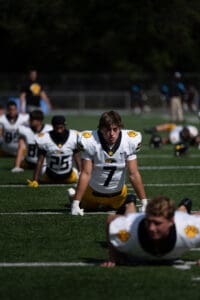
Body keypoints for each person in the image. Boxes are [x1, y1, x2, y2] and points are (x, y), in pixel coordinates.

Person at [71, 110, 147, 216]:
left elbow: (133, 174)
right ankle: (74, 197)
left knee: (127, 205)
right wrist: (76, 203)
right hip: (93, 193)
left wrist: (144, 202)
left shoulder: (129, 141)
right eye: (107, 130)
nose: (111, 134)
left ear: (120, 128)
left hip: (118, 195)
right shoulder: (90, 141)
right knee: (79, 203)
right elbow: (86, 173)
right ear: (101, 129)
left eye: (115, 129)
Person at [102, 195, 200, 267]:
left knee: (182, 218)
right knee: (129, 218)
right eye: (148, 222)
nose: (151, 228)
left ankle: (183, 207)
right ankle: (130, 203)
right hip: (134, 222)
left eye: (157, 223)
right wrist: (114, 257)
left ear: (171, 221)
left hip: (180, 222)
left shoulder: (186, 228)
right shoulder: (130, 227)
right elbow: (111, 221)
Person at [27, 115, 81, 187]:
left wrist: (82, 177)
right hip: (51, 177)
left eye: (61, 127)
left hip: (66, 177)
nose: (59, 130)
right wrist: (34, 180)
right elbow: (40, 161)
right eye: (57, 128)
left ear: (65, 126)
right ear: (53, 126)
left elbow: (78, 159)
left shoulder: (73, 137)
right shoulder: (44, 138)